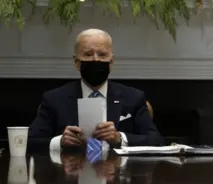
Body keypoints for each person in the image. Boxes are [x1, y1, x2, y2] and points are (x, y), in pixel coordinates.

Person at [28, 28, 163, 151]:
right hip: (70, 173)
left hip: (118, 174)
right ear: (76, 62)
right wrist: (60, 142)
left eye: (102, 54)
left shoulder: (133, 98)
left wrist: (119, 138)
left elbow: (156, 141)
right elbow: (30, 142)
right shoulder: (54, 99)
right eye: (87, 54)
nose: (95, 60)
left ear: (111, 62)